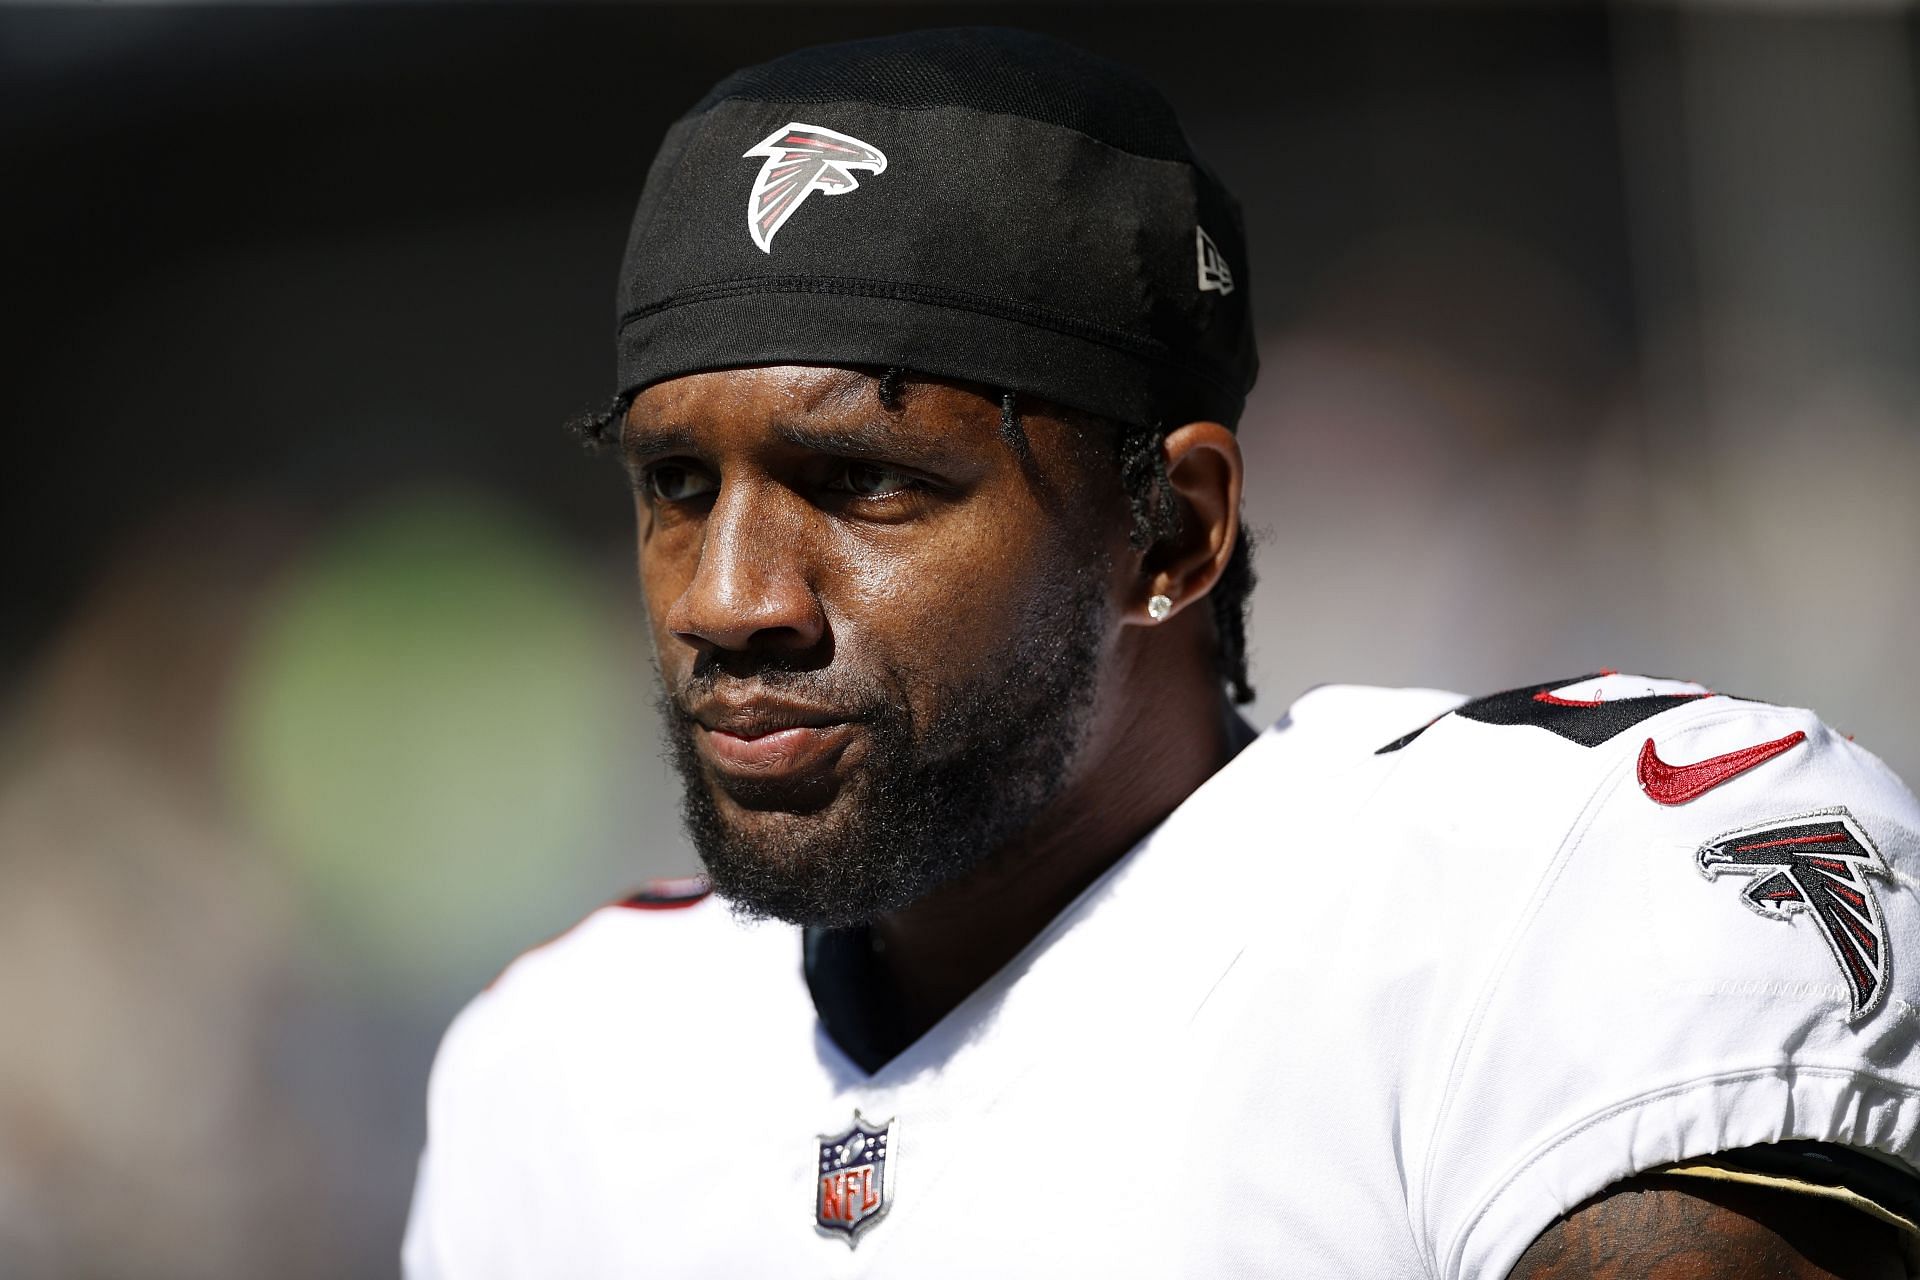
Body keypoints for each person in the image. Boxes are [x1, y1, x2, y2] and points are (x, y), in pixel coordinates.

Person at [403, 28, 1920, 1278]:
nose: (729, 598)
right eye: (677, 486)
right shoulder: (562, 1059)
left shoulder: (1542, 899)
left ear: (1172, 532)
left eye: (866, 482)